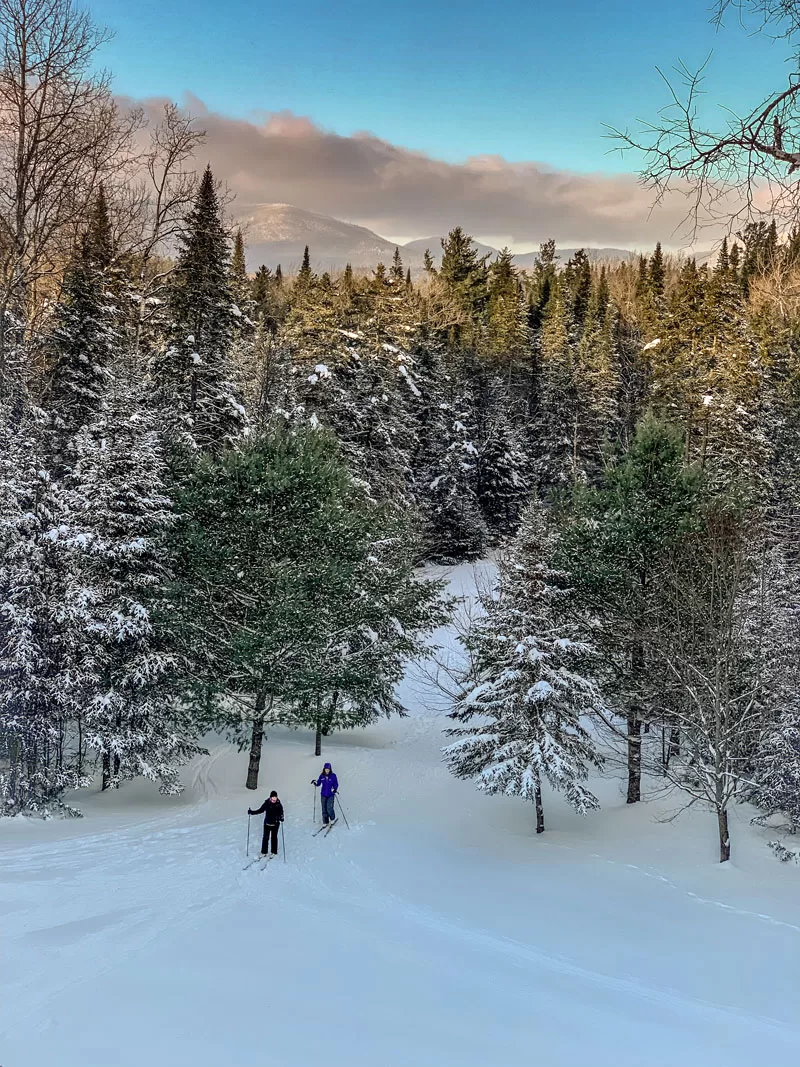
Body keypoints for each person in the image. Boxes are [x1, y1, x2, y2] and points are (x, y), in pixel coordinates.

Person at [248, 790, 284, 857]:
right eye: (272, 798)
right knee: (265, 838)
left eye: (275, 798)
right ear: (270, 797)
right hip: (267, 823)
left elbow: (281, 812)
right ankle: (264, 852)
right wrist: (251, 812)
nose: (274, 799)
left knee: (274, 837)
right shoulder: (267, 803)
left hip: (275, 824)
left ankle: (274, 852)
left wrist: (281, 817)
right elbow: (260, 810)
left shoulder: (278, 804)